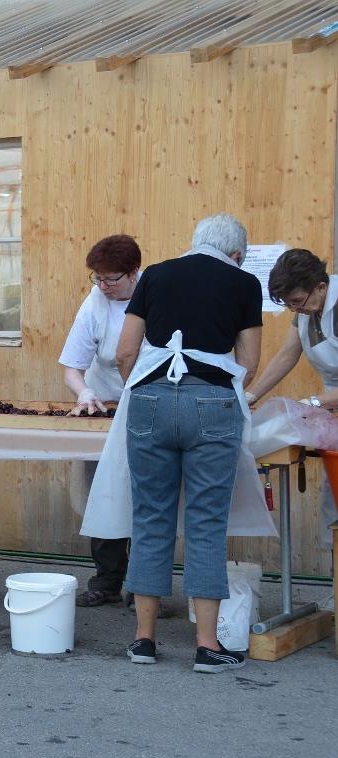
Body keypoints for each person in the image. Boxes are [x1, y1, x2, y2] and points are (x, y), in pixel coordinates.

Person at [85, 213, 275, 673]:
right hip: (212, 404)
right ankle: (207, 645)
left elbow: (124, 351)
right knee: (207, 522)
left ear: (193, 243)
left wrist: (145, 392)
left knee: (150, 516)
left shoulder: (155, 275)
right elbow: (248, 360)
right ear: (235, 254)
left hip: (149, 400)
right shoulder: (244, 282)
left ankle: (143, 640)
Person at [59, 235, 142, 608]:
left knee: (146, 499)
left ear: (134, 273)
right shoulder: (94, 302)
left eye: (111, 279)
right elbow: (72, 367)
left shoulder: (154, 296)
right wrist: (83, 392)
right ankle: (107, 580)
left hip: (146, 408)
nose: (104, 286)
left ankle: (143, 583)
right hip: (103, 409)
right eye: (98, 279)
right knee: (103, 496)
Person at [246, 248, 338, 557]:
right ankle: (337, 588)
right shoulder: (304, 311)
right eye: (288, 304)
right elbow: (287, 354)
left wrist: (312, 401)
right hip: (333, 404)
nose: (294, 309)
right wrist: (251, 395)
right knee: (334, 497)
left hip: (329, 400)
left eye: (297, 302)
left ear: (321, 287)